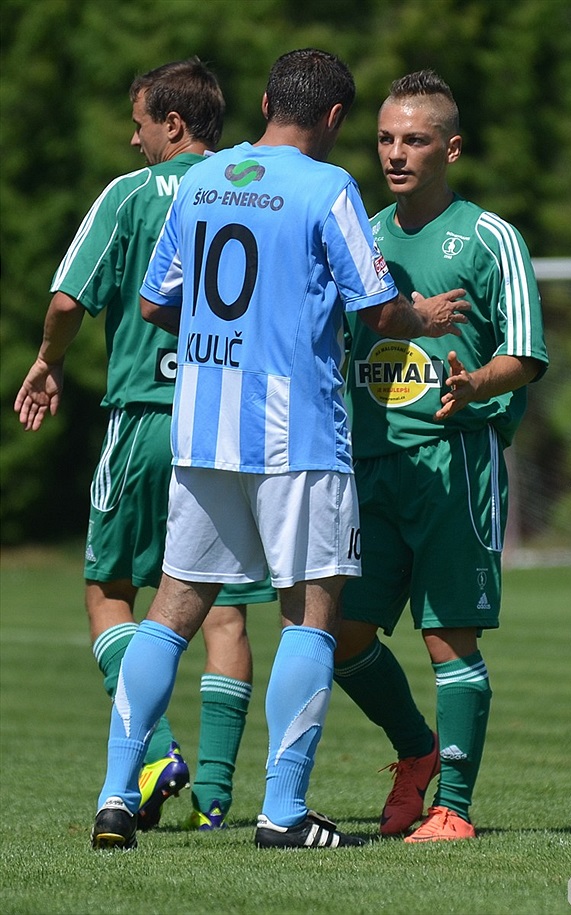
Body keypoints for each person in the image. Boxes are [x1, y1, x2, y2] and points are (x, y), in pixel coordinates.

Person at [90, 48, 469, 852]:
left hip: (203, 429)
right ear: (335, 119)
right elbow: (376, 311)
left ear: (265, 102)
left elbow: (157, 305)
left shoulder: (202, 180)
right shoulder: (328, 188)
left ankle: (116, 795)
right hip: (295, 433)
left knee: (169, 613)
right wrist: (424, 318)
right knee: (312, 613)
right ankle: (283, 811)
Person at [14, 58, 276, 833]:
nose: (133, 140)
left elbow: (67, 299)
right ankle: (218, 799)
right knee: (224, 607)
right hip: (232, 422)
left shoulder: (132, 197)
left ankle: (155, 750)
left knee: (110, 591)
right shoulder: (253, 187)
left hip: (147, 418)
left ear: (173, 122)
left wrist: (48, 360)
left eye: (139, 122)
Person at [334, 70, 549, 842]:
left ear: (451, 148)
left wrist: (474, 380)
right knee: (341, 636)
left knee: (446, 637)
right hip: (371, 463)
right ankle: (417, 751)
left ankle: (453, 805)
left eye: (415, 140)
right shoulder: (358, 231)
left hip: (457, 461)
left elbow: (525, 353)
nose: (396, 153)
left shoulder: (490, 237)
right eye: (386, 138)